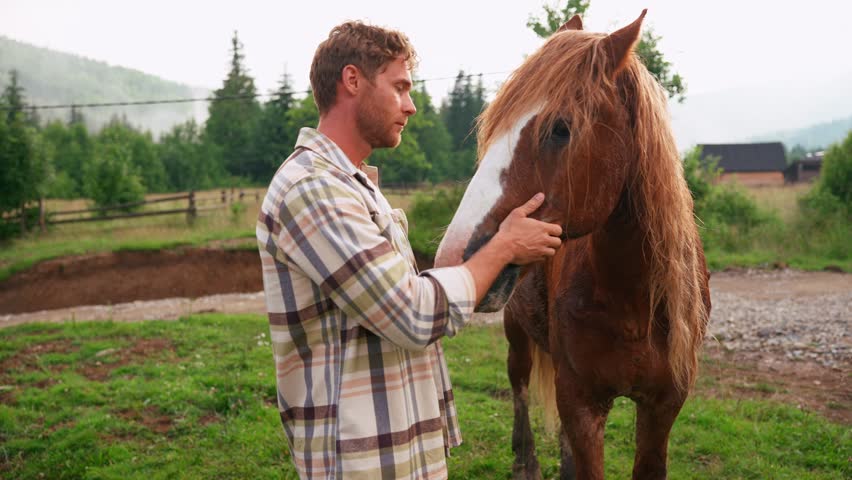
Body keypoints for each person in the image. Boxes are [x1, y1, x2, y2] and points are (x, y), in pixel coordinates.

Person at [256, 20, 562, 479]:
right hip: (360, 463)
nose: (411, 105)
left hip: (391, 452)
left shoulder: (351, 185)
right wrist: (502, 247)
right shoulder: (314, 190)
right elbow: (412, 314)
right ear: (353, 80)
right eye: (399, 87)